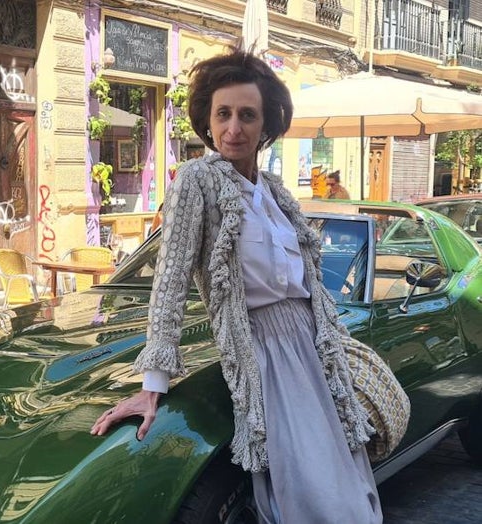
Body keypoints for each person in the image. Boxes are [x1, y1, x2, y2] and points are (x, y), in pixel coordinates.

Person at [91, 49, 382, 523]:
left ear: (265, 123)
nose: (234, 128)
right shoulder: (196, 182)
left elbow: (310, 286)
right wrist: (153, 384)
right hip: (265, 356)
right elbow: (169, 280)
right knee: (317, 501)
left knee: (352, 490)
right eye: (223, 114)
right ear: (207, 120)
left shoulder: (275, 191)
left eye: (247, 115)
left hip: (314, 354)